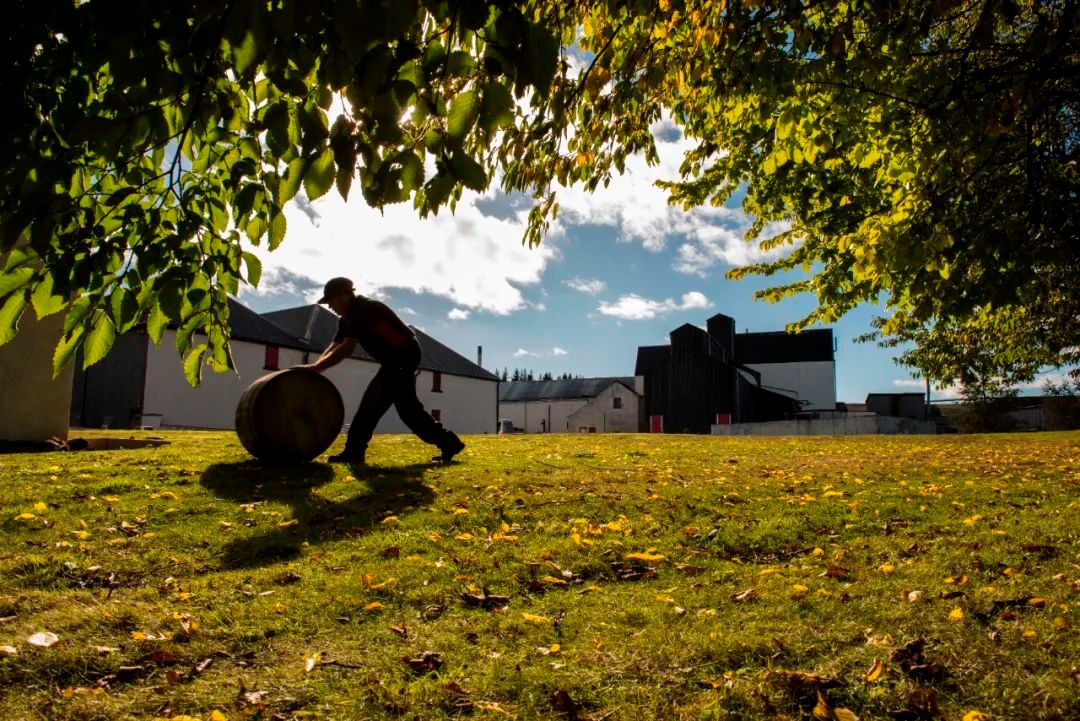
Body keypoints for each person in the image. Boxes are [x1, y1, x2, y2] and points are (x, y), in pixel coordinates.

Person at [297, 277, 465, 465]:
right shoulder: (347, 319)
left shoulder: (364, 310)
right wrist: (316, 367)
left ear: (345, 295)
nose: (330, 306)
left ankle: (353, 453)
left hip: (403, 356)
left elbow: (346, 349)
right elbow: (335, 345)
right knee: (408, 410)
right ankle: (450, 443)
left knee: (371, 405)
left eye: (331, 301)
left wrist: (316, 368)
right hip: (394, 360)